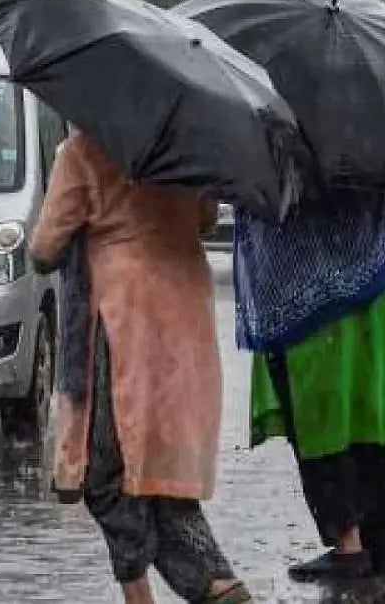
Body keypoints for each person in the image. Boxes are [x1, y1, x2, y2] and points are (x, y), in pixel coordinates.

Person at [30, 130, 250, 604]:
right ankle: (202, 582)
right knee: (164, 467)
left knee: (106, 471)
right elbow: (206, 219)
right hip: (184, 313)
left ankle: (191, 586)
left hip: (122, 316)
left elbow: (44, 249)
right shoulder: (190, 146)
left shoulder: (84, 149)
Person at [237, 189, 385, 581]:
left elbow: (258, 204)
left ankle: (348, 545)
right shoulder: (382, 151)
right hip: (376, 296)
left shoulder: (283, 154)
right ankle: (384, 543)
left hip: (306, 304)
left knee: (321, 421)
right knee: (374, 416)